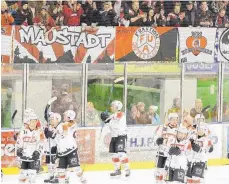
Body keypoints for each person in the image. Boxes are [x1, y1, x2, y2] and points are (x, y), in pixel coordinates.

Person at [53, 110, 86, 184]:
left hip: (71, 150)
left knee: (76, 167)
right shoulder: (63, 125)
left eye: (65, 115)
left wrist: (56, 126)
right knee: (61, 170)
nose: (63, 117)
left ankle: (83, 180)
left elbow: (66, 127)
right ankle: (64, 181)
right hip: (62, 151)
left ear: (69, 117)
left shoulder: (71, 124)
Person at [100, 100, 131, 177]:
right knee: (113, 154)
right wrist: (105, 120)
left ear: (118, 107)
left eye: (113, 106)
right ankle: (117, 170)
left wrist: (107, 118)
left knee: (121, 153)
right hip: (114, 137)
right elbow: (110, 125)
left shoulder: (121, 114)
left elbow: (117, 116)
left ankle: (127, 169)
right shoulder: (113, 116)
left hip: (121, 136)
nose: (111, 107)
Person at [16, 113, 43, 184]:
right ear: (29, 122)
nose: (34, 123)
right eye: (32, 121)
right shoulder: (23, 131)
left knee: (32, 176)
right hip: (24, 157)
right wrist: (19, 149)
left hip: (34, 157)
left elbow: (42, 143)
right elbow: (19, 142)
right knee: (22, 176)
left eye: (35, 121)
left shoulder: (39, 132)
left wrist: (38, 151)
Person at [154, 113, 179, 183]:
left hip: (171, 156)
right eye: (172, 119)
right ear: (169, 120)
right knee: (158, 172)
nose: (174, 121)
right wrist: (157, 140)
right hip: (161, 153)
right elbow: (155, 137)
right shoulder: (162, 127)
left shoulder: (179, 130)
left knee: (167, 174)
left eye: (176, 119)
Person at [43, 112, 62, 183]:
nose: (51, 120)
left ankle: (57, 176)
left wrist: (51, 134)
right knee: (48, 163)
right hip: (48, 148)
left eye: (52, 119)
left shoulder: (59, 127)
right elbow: (45, 135)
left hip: (55, 148)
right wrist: (46, 132)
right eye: (50, 119)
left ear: (57, 120)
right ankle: (51, 175)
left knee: (55, 163)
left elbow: (57, 137)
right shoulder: (48, 127)